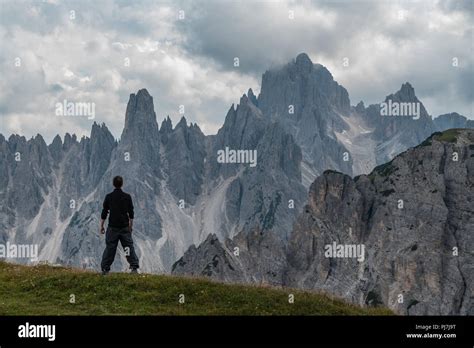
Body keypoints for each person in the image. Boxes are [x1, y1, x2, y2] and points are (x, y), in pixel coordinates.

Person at [99, 176, 139, 275]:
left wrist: (102, 226)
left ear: (113, 184)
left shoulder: (109, 197)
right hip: (124, 227)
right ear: (122, 184)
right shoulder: (127, 197)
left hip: (112, 227)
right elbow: (131, 213)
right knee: (128, 247)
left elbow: (104, 212)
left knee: (110, 248)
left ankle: (105, 269)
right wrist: (130, 226)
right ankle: (134, 268)